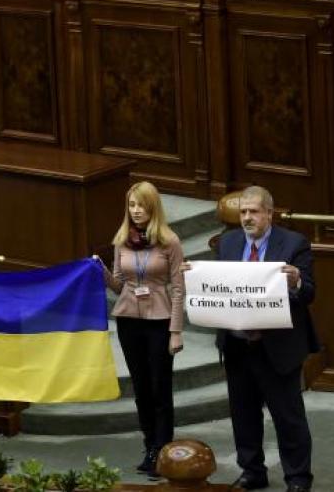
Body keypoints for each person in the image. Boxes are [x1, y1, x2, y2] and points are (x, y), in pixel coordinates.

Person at [206, 185, 317, 492]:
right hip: (238, 345)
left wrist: (296, 281)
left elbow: (309, 293)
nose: (246, 218)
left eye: (253, 212)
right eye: (243, 212)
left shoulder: (294, 243)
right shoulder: (227, 243)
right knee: (243, 415)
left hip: (277, 347)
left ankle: (298, 478)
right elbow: (216, 286)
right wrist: (195, 276)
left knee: (288, 417)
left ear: (269, 213)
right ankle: (252, 471)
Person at [102, 181, 184, 477]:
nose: (136, 211)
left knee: (160, 387)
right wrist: (102, 273)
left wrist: (176, 331)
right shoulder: (121, 240)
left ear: (153, 207)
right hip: (129, 320)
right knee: (141, 387)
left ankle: (163, 450)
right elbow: (119, 285)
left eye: (142, 205)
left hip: (160, 320)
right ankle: (150, 445)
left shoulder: (169, 241)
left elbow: (178, 289)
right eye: (132, 205)